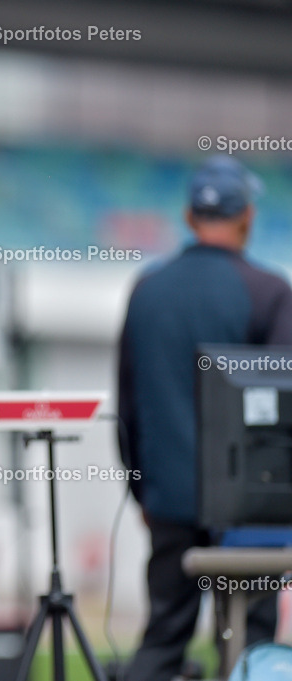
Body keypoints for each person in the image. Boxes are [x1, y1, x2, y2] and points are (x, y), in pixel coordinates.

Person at [117, 155, 292, 681]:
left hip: (168, 500)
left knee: (163, 637)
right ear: (247, 218)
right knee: (251, 644)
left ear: (191, 218)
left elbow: (127, 405)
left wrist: (140, 490)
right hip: (249, 511)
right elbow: (282, 413)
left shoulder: (148, 289)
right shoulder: (269, 291)